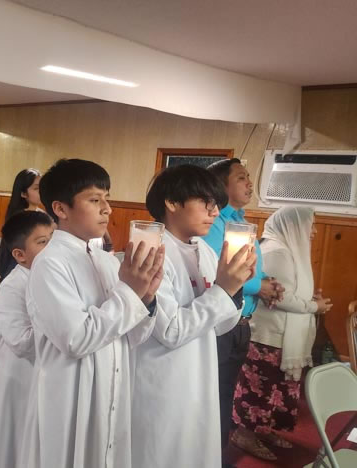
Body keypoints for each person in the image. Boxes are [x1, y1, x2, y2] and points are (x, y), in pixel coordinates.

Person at [21, 159, 163, 468]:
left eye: (107, 198)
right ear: (61, 208)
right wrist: (130, 293)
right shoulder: (50, 263)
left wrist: (147, 298)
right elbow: (76, 338)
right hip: (72, 392)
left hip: (110, 387)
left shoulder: (107, 261)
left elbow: (132, 337)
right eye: (95, 199)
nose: (107, 209)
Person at [131, 164, 255, 468]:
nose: (214, 212)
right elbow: (170, 331)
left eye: (216, 205)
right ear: (172, 202)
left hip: (200, 369)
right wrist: (223, 290)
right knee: (163, 452)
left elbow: (221, 325)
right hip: (164, 376)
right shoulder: (152, 249)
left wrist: (234, 289)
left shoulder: (202, 249)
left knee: (195, 446)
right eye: (206, 203)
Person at [232, 207, 332, 461]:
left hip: (280, 337)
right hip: (268, 337)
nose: (314, 231)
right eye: (310, 225)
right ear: (292, 225)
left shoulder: (287, 250)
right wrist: (313, 306)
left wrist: (310, 299)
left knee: (272, 390)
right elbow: (279, 297)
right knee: (259, 390)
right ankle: (244, 434)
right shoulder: (277, 252)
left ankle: (262, 430)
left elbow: (290, 290)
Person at [202, 157, 285, 465]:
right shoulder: (213, 223)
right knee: (212, 394)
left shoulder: (239, 219)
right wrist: (258, 287)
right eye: (241, 178)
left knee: (226, 393)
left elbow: (250, 267)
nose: (250, 183)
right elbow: (218, 269)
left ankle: (219, 452)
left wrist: (266, 281)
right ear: (221, 186)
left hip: (241, 321)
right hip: (222, 323)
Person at [0, 210, 53, 468]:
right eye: (42, 242)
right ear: (20, 255)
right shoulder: (11, 289)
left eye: (53, 239)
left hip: (45, 376)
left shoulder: (53, 279)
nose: (52, 248)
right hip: (20, 379)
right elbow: (23, 343)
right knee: (14, 446)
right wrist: (61, 323)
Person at [0, 169, 42, 279]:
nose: (41, 191)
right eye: (36, 188)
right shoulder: (20, 219)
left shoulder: (41, 214)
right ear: (23, 193)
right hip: (19, 269)